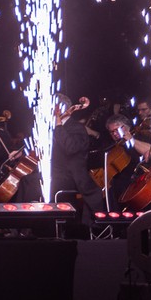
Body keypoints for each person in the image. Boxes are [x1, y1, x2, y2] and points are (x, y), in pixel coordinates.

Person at [51, 94, 104, 223]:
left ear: (60, 109)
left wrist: (58, 125)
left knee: (31, 183)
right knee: (28, 180)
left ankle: (30, 225)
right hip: (54, 173)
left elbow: (71, 148)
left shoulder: (77, 127)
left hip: (70, 176)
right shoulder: (50, 127)